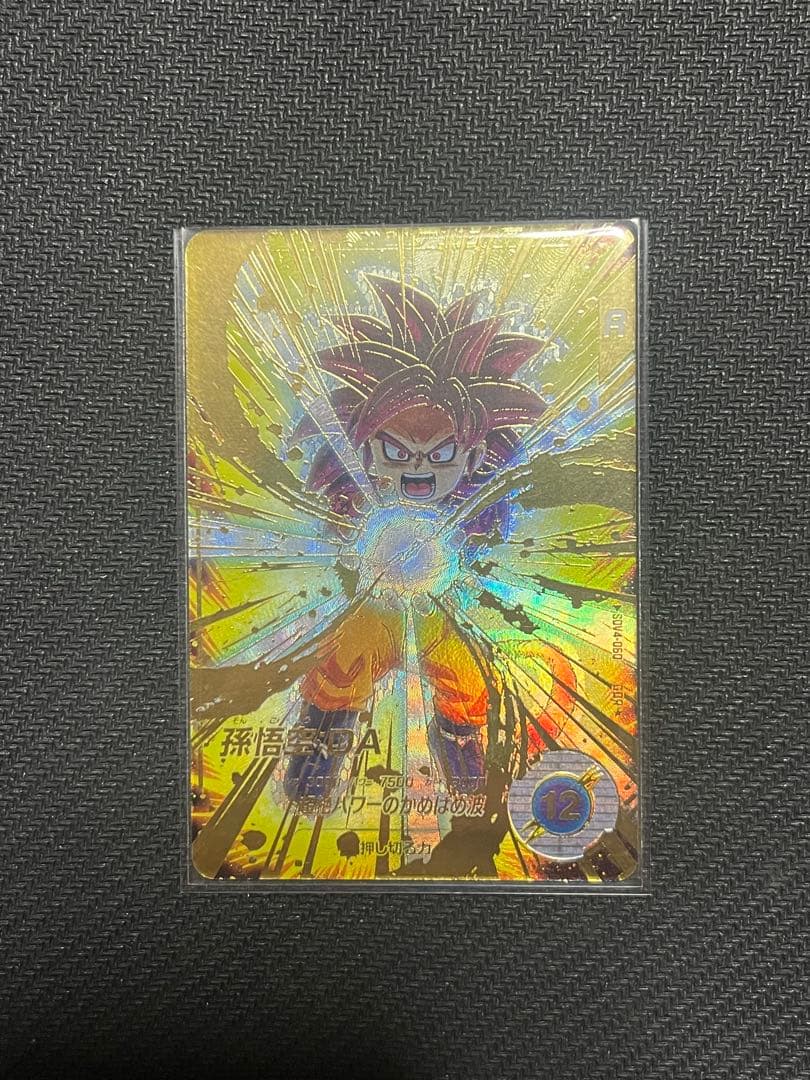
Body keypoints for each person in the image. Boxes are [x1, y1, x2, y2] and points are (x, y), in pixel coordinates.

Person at [283, 276, 547, 812]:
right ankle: (317, 755)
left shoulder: (475, 504)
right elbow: (339, 544)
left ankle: (462, 754)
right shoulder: (359, 495)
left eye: (442, 453)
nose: (420, 468)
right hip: (371, 602)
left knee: (465, 676)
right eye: (398, 452)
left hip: (447, 603)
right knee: (342, 667)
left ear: (475, 456)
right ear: (366, 450)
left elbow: (491, 547)